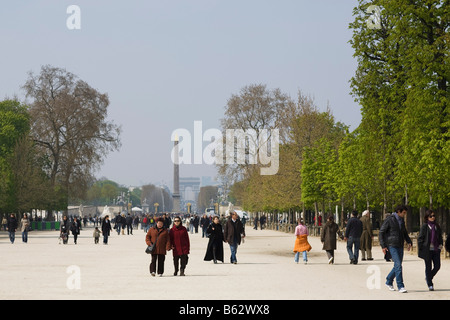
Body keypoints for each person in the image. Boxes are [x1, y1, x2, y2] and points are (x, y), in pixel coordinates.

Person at [379, 204, 412, 293]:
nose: (404, 215)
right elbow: (381, 232)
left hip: (400, 245)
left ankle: (389, 281)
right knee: (398, 265)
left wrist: (409, 241)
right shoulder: (389, 220)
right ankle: (400, 286)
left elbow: (404, 232)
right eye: (404, 213)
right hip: (391, 245)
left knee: (397, 265)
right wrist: (383, 246)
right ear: (399, 211)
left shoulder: (401, 220)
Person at [417, 209, 443, 291]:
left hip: (435, 249)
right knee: (428, 267)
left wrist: (440, 244)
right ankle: (430, 284)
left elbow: (440, 236)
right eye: (430, 216)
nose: (432, 217)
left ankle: (428, 277)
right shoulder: (425, 226)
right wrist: (421, 248)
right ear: (427, 217)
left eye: (433, 216)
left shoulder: (437, 226)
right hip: (427, 250)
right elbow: (420, 238)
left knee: (437, 266)